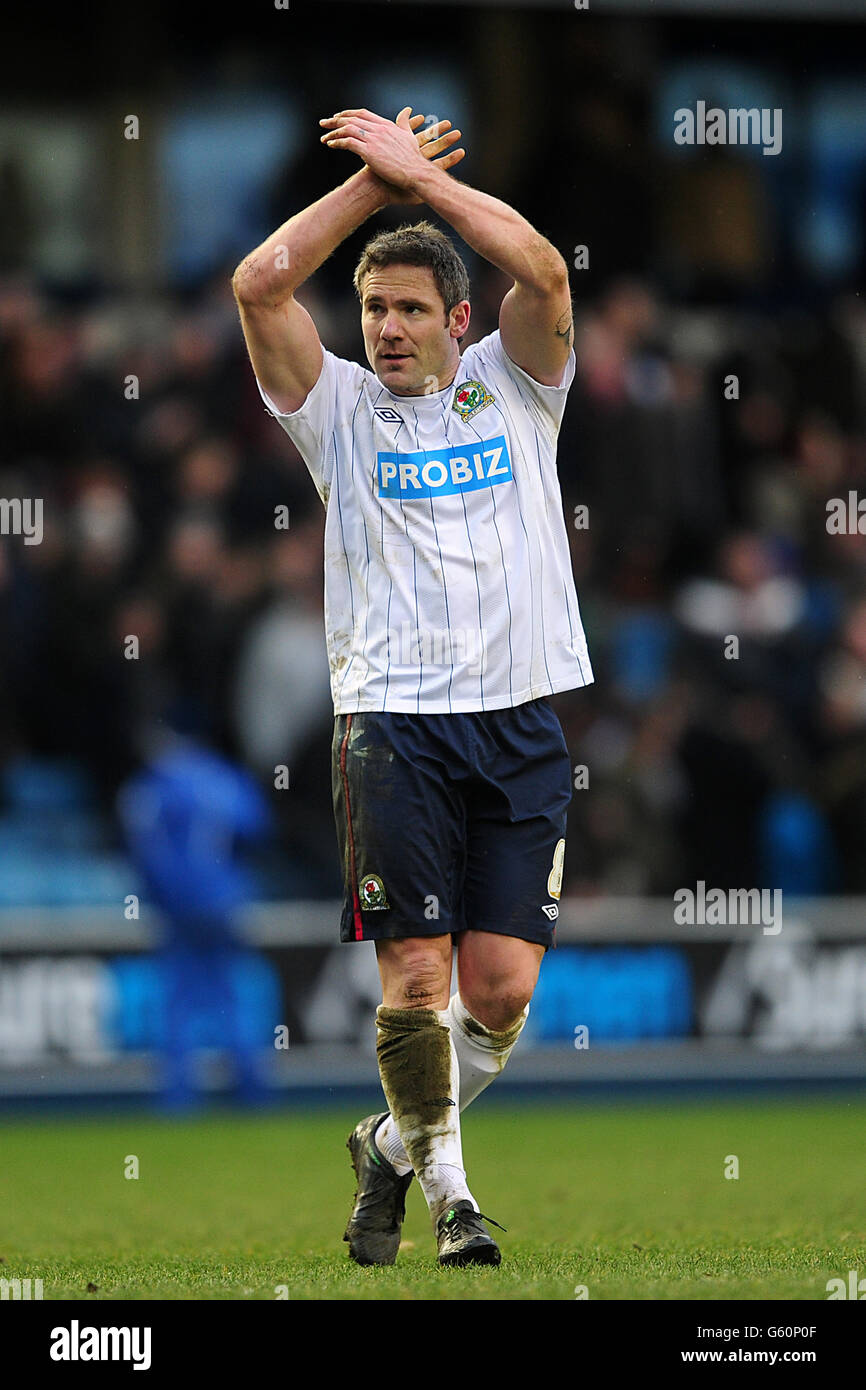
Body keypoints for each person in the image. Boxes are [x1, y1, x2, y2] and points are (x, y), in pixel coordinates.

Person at [232, 105, 593, 1267]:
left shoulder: (518, 383)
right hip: (391, 722)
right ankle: (451, 1200)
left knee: (494, 993)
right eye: (371, 308)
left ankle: (385, 1143)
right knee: (418, 972)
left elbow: (540, 265)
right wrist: (373, 191)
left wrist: (424, 192)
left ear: (456, 320)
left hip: (520, 716)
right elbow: (255, 285)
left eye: (405, 309)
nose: (383, 328)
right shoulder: (335, 410)